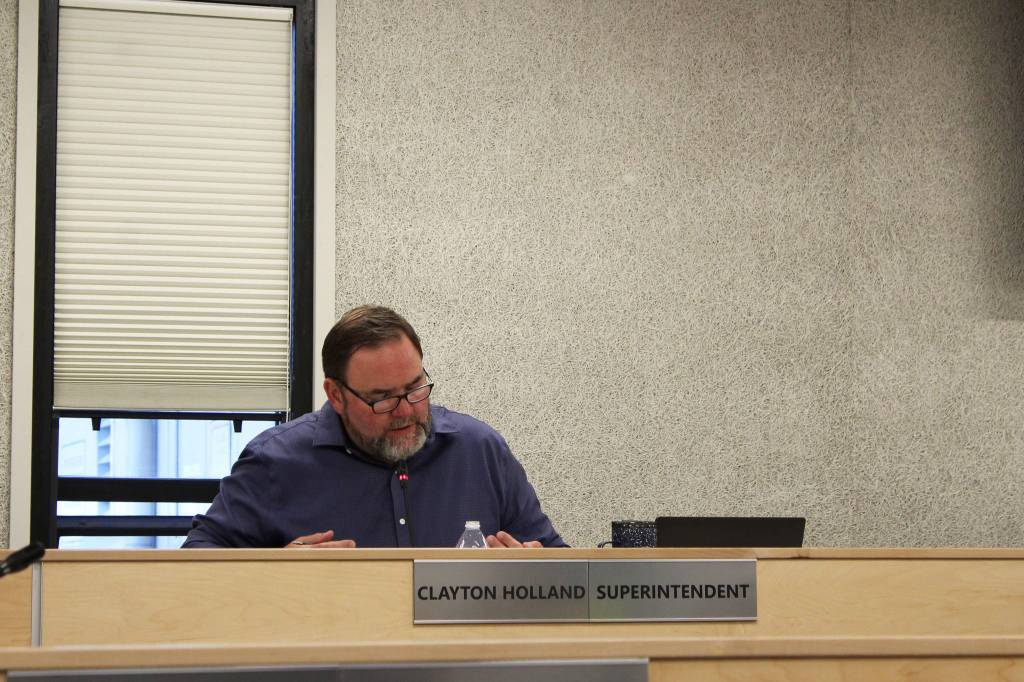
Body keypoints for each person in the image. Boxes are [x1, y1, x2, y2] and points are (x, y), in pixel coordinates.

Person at [184, 305, 566, 548]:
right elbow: (198, 563)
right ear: (336, 394)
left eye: (415, 388)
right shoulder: (276, 461)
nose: (404, 411)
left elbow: (558, 562)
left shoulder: (480, 450)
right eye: (382, 398)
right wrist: (280, 573)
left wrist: (534, 568)